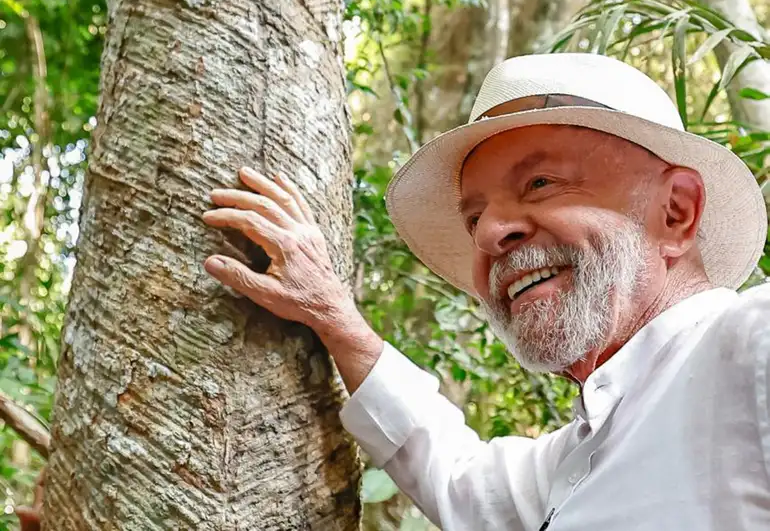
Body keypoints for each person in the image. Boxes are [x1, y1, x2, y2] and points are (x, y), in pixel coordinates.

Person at [202, 53, 770, 530]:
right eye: (474, 219)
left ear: (674, 213)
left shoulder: (747, 346)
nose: (493, 234)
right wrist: (336, 319)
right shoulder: (576, 459)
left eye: (540, 183)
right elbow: (457, 478)